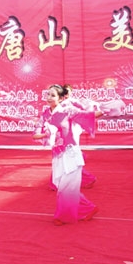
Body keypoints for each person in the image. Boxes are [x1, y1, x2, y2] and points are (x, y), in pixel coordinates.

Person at [33, 84, 102, 225]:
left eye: (53, 95)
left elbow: (88, 115)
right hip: (57, 155)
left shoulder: (68, 110)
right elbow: (36, 134)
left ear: (60, 98)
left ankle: (62, 216)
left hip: (71, 154)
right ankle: (88, 208)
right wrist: (46, 134)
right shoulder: (45, 114)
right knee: (63, 187)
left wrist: (106, 110)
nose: (49, 98)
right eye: (48, 94)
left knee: (66, 188)